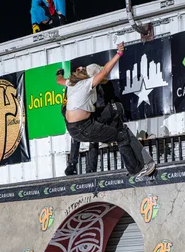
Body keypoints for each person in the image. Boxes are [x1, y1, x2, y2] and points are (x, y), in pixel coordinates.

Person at [56, 43, 156, 178]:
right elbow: (105, 71)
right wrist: (119, 54)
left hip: (78, 124)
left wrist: (59, 73)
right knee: (121, 135)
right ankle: (136, 170)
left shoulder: (71, 82)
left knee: (116, 110)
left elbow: (59, 80)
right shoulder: (87, 83)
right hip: (84, 128)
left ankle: (117, 128)